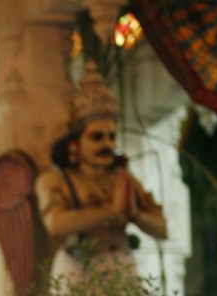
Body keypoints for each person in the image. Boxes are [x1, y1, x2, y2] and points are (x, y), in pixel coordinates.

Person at [34, 62, 168, 281]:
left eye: (112, 137)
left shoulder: (123, 178)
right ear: (75, 143)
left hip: (121, 268)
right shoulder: (55, 180)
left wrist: (134, 214)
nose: (107, 144)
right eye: (97, 137)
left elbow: (162, 229)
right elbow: (55, 225)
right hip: (77, 270)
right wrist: (112, 211)